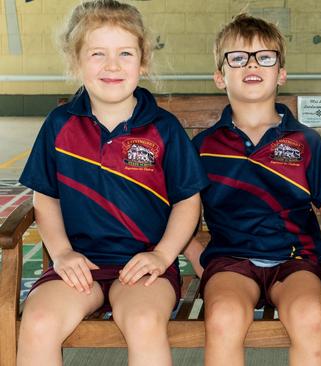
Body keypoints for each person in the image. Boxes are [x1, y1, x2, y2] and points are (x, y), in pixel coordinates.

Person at [16, 1, 207, 365]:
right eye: (97, 53)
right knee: (39, 321)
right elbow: (46, 197)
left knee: (143, 320)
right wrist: (61, 254)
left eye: (124, 53)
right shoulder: (59, 125)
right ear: (76, 61)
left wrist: (162, 255)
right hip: (78, 264)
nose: (112, 65)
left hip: (143, 264)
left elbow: (187, 200)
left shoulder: (163, 128)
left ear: (143, 61)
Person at [183, 14, 321, 366]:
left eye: (264, 57)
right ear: (219, 76)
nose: (251, 64)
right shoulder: (203, 147)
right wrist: (198, 259)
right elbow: (179, 212)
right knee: (223, 317)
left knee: (310, 317)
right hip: (231, 261)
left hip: (295, 259)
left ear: (281, 73)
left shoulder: (305, 141)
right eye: (238, 57)